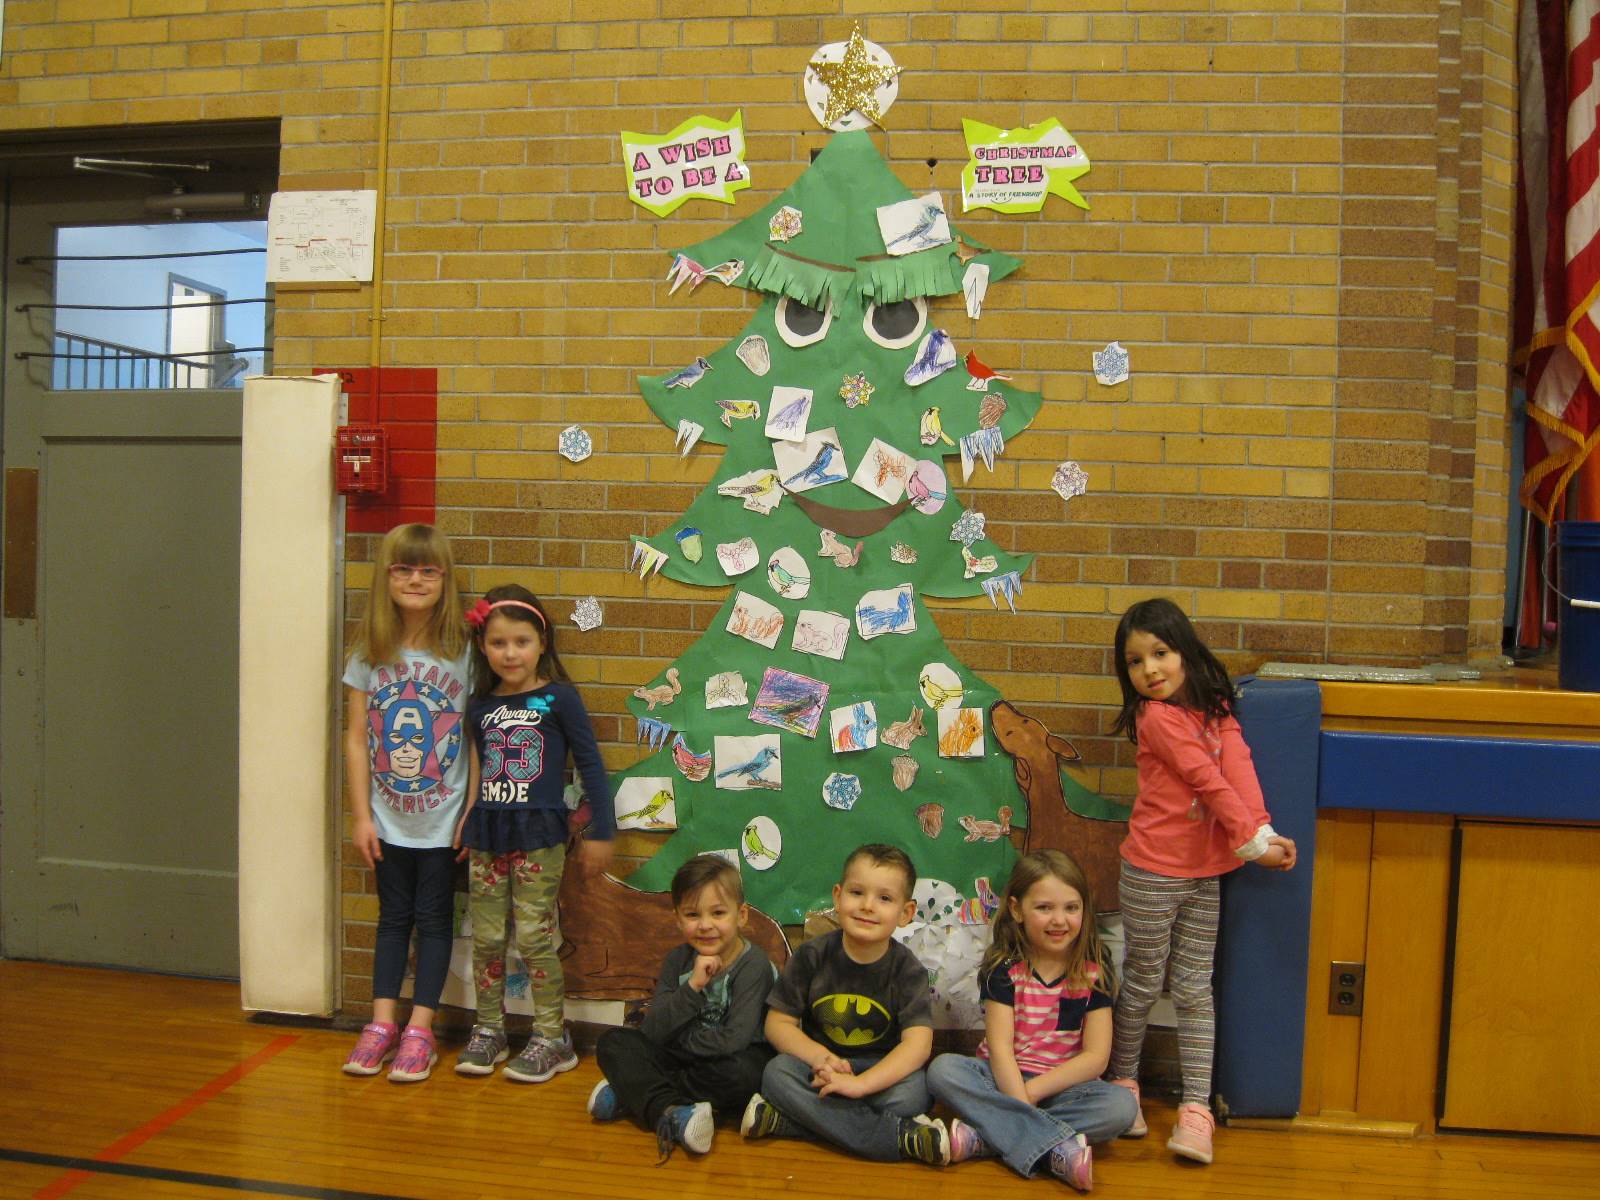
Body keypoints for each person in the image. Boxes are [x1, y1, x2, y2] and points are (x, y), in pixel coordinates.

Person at [1105, 597, 1297, 1164]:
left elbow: (1238, 769)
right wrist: (1253, 846)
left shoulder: (1214, 708)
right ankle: (1123, 1085)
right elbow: (1206, 781)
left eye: (1159, 654)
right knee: (1142, 982)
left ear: (1185, 651)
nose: (1150, 671)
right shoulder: (1157, 717)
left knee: (1193, 989)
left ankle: (1196, 1109)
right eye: (1135, 662)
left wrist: (1260, 828)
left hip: (1204, 872)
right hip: (1151, 870)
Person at [451, 584, 614, 1083]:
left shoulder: (559, 697)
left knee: (537, 936)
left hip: (540, 834)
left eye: (521, 641)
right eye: (499, 643)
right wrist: (467, 814)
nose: (510, 653)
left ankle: (551, 1036)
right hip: (488, 831)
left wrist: (603, 828)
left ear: (542, 642)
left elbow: (589, 762)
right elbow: (477, 765)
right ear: (483, 646)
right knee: (488, 938)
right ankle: (489, 1028)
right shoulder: (479, 703)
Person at [340, 524, 470, 1083]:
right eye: (403, 569)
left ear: (444, 580)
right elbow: (353, 738)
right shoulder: (368, 652)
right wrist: (363, 815)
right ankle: (381, 1024)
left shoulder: (463, 653)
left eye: (428, 570)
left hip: (444, 821)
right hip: (389, 820)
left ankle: (421, 1029)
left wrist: (474, 810)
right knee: (392, 920)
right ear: (386, 577)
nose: (415, 580)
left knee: (434, 921)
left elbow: (477, 735)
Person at [927, 850, 1137, 1193]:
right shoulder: (1005, 969)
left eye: (1071, 907)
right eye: (1044, 908)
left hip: (1061, 1087)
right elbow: (999, 1049)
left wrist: (1032, 1093)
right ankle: (1055, 1148)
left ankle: (987, 1137)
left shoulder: (1095, 969)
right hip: (1001, 1077)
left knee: (1121, 1107)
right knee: (943, 1070)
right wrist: (1019, 1098)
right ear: (1016, 910)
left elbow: (1096, 1058)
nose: (1059, 920)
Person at [741, 844, 948, 1166]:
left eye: (884, 898)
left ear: (906, 913)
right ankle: (899, 1138)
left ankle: (792, 1123)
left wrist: (860, 1084)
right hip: (820, 1067)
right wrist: (824, 1060)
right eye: (856, 892)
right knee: (776, 1073)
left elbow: (918, 1047)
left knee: (915, 1092)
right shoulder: (812, 955)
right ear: (838, 896)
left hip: (877, 1073)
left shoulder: (908, 970)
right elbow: (777, 1024)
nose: (867, 906)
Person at [587, 855, 778, 1159]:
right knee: (613, 1042)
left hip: (732, 1059)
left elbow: (734, 1040)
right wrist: (693, 987)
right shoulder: (678, 960)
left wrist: (676, 1041)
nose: (705, 926)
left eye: (718, 913)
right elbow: (651, 1029)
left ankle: (635, 1093)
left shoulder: (754, 965)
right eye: (692, 914)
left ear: (741, 915)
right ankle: (672, 1111)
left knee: (745, 1075)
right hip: (688, 1058)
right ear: (677, 918)